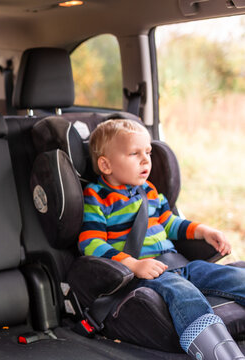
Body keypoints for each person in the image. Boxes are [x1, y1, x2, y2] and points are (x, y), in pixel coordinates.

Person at [79, 119, 245, 360]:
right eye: (134, 154)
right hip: (145, 272)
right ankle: (218, 352)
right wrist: (134, 265)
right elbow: (90, 242)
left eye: (148, 152)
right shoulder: (98, 196)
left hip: (180, 264)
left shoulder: (150, 190)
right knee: (183, 293)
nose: (146, 160)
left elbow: (170, 223)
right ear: (106, 165)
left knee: (231, 275)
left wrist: (204, 231)